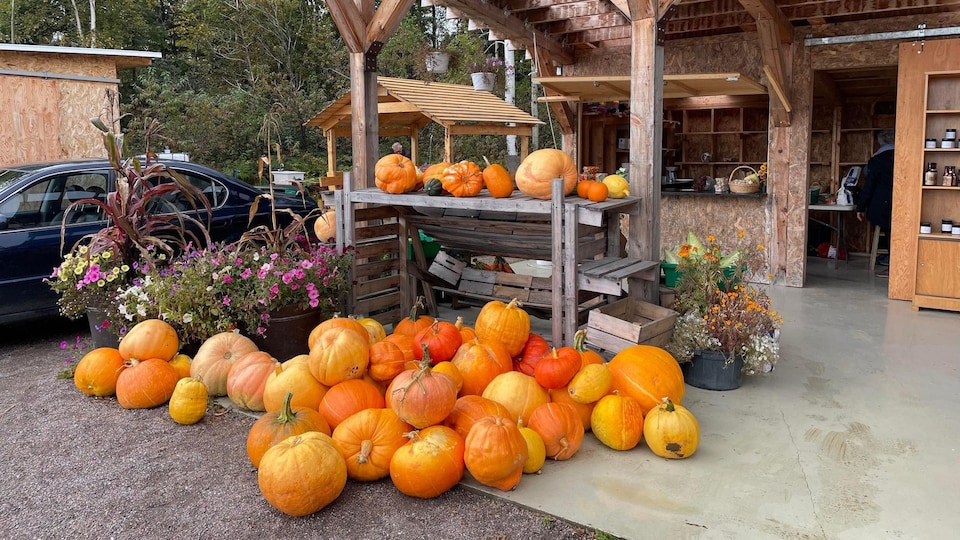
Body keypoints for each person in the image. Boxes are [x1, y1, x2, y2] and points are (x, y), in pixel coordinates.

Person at [855, 129, 895, 276]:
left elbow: (869, 186)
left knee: (886, 227)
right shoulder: (905, 155)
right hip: (903, 205)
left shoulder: (877, 161)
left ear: (881, 143)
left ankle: (891, 266)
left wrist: (860, 207)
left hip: (882, 207)